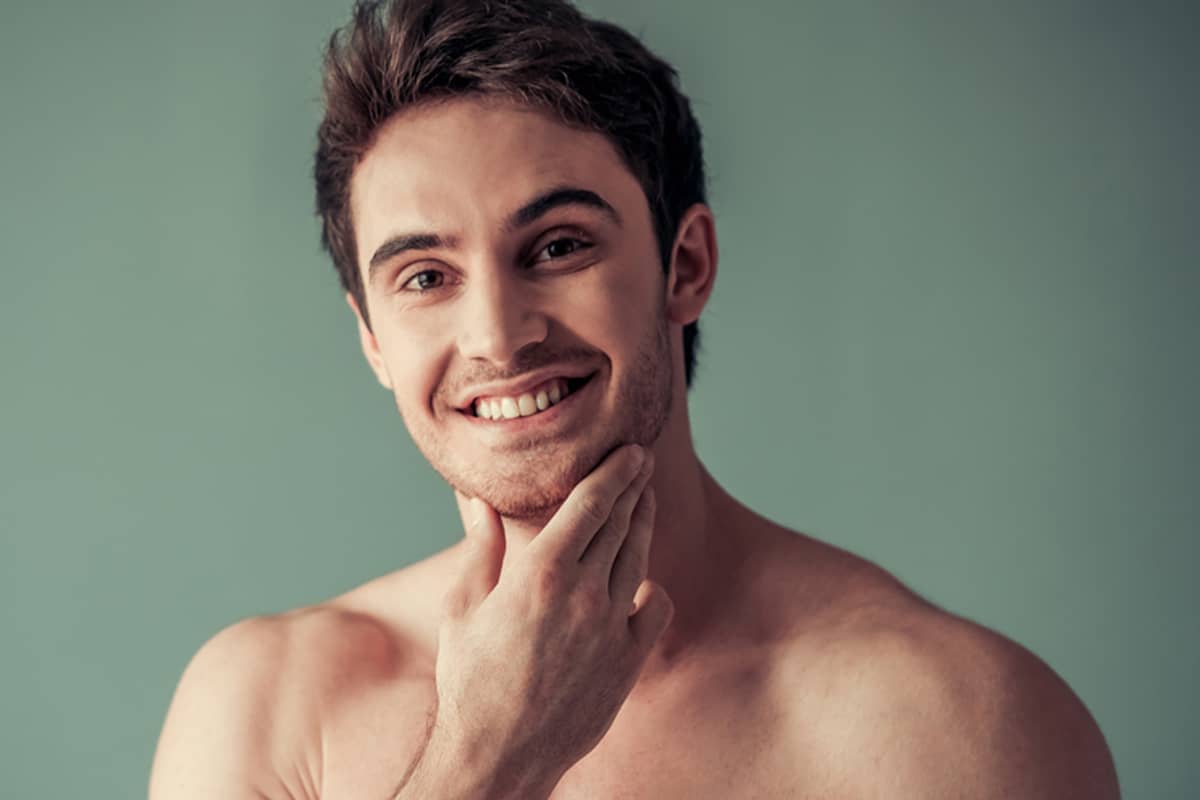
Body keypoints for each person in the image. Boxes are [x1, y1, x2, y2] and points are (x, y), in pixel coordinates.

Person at [149, 1, 1121, 797]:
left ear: (684, 266)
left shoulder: (960, 725)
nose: (497, 337)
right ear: (373, 339)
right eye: (425, 277)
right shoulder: (269, 708)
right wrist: (485, 761)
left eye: (559, 246)